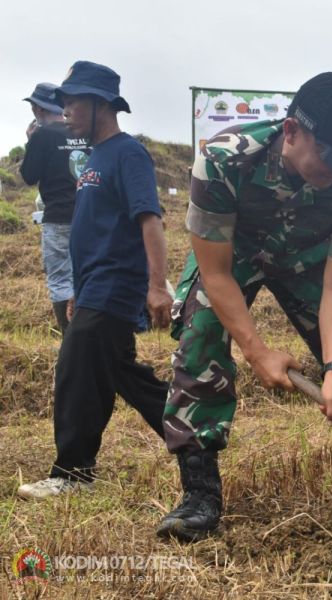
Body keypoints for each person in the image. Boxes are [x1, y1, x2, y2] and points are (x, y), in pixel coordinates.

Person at [156, 72, 332, 542]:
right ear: (292, 131)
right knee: (200, 339)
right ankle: (199, 493)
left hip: (309, 258)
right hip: (231, 251)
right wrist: (257, 351)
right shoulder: (223, 158)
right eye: (329, 157)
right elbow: (215, 273)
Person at [17, 61, 172, 499]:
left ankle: (72, 473)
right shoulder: (94, 156)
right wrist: (77, 294)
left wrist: (156, 285)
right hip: (92, 287)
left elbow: (150, 220)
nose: (64, 109)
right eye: (63, 101)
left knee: (76, 369)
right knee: (118, 372)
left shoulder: (128, 153)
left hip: (117, 283)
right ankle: (191, 434)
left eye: (72, 100)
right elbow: (90, 230)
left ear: (99, 103)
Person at [19, 82, 89, 335]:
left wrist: (30, 142)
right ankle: (89, 334)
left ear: (37, 109)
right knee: (87, 275)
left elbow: (29, 176)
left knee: (60, 279)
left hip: (58, 216)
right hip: (89, 216)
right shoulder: (82, 130)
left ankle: (71, 340)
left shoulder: (42, 135)